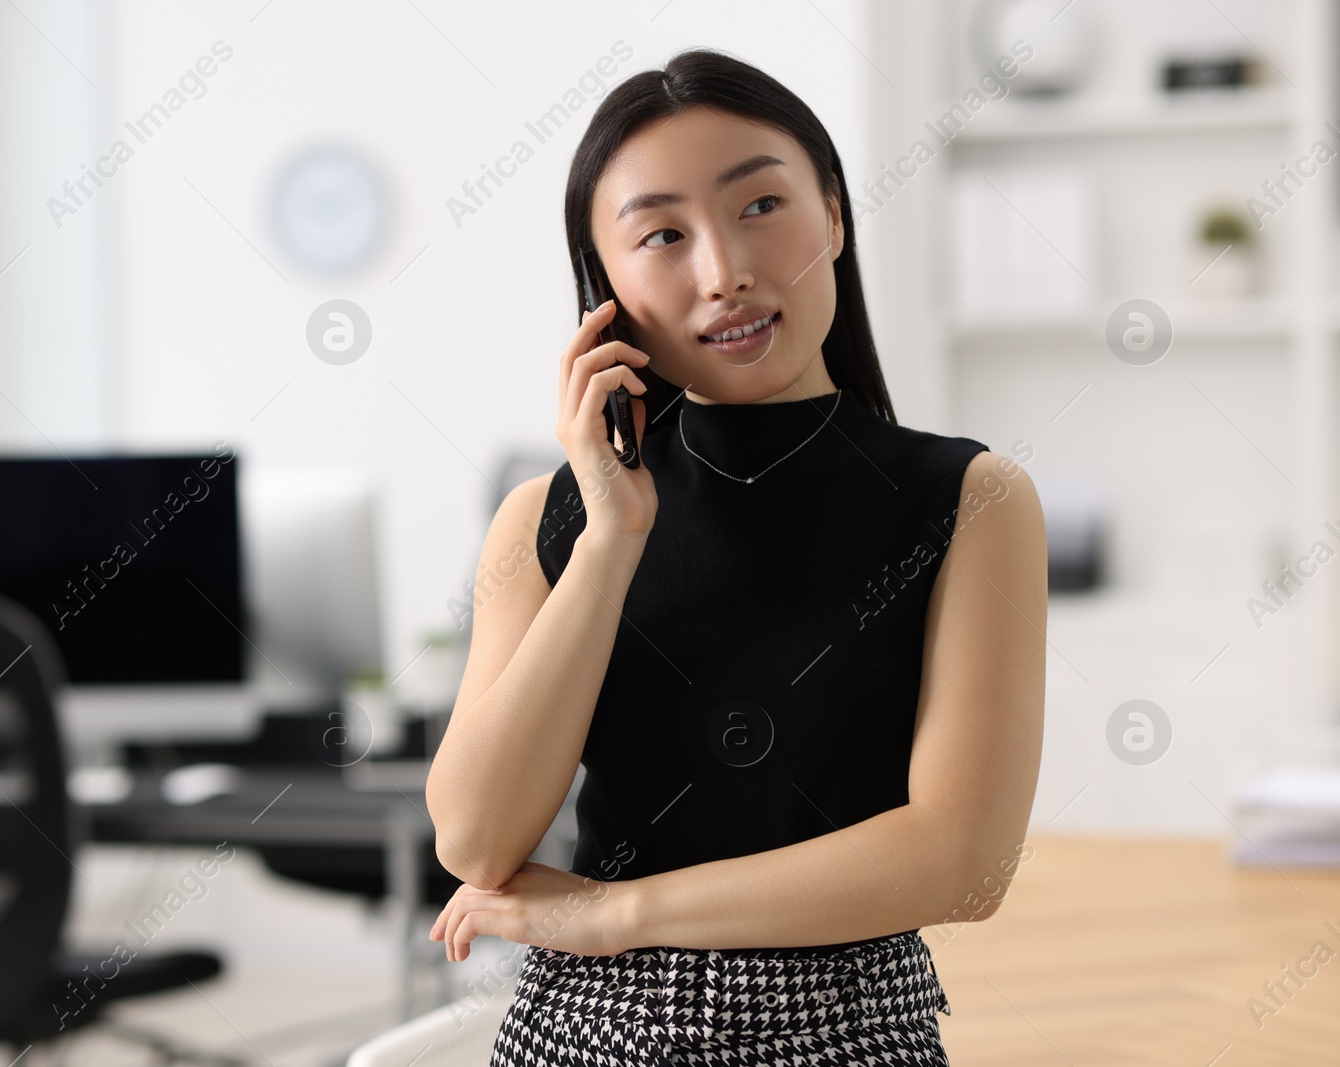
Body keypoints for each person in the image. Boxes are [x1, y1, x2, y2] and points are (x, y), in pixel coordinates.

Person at [425, 47, 1046, 1066]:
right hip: (582, 1033)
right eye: (662, 234)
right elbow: (477, 841)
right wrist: (611, 536)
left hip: (848, 1029)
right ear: (608, 290)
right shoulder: (545, 520)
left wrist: (614, 914)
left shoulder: (972, 502)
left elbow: (963, 862)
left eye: (759, 205)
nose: (725, 271)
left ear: (835, 213)